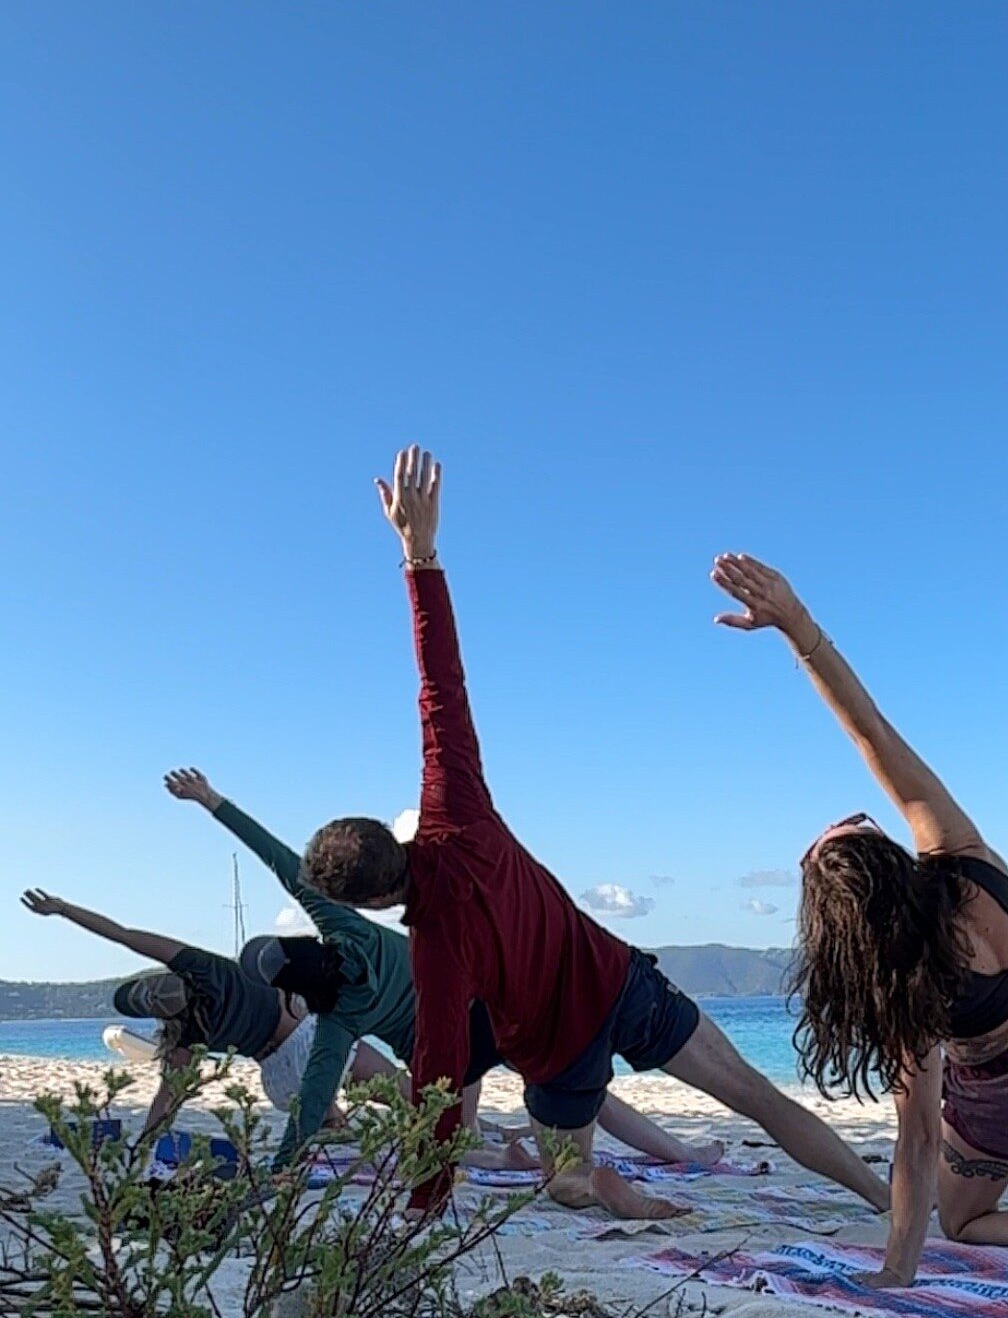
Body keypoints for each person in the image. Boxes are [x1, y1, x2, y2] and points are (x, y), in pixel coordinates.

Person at [297, 444, 890, 1221]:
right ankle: (888, 1197)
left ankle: (598, 1182)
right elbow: (440, 684)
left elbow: (438, 1077)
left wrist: (423, 1199)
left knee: (566, 1178)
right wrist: (419, 555)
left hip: (560, 1053)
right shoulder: (456, 807)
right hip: (620, 981)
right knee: (751, 1093)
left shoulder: (433, 947)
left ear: (375, 899)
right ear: (389, 834)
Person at [710, 549, 1008, 1281]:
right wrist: (795, 622)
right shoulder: (959, 855)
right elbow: (870, 731)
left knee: (963, 1221)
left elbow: (920, 1139)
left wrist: (897, 1272)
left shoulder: (900, 983)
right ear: (888, 856)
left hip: (1003, 1097)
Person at [163, 768, 726, 1173]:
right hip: (487, 1006)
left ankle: (500, 1154)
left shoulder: (335, 1019)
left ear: (293, 995)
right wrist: (213, 801)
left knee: (435, 1138)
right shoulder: (342, 924)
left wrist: (278, 1171)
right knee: (583, 1090)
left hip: (447, 1052)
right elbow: (283, 862)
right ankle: (685, 1154)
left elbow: (312, 1107)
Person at [19, 889, 316, 1131]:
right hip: (286, 1063)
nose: (155, 992)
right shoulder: (187, 1036)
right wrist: (144, 1150)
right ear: (160, 1014)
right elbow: (166, 1099)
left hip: (300, 1039)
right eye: (149, 1000)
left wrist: (64, 909)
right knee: (331, 1107)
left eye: (148, 987)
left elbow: (122, 934)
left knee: (352, 1082)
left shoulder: (196, 966)